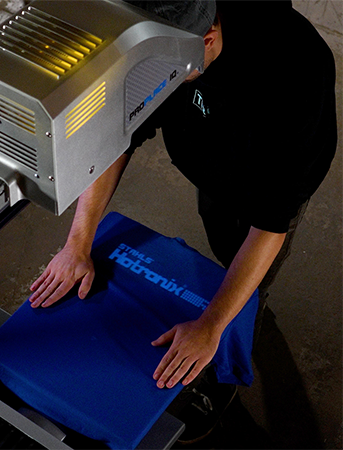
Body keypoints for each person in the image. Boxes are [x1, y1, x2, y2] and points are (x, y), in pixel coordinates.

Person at [28, 0, 337, 393]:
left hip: (269, 176)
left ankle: (237, 341)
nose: (159, 77)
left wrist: (210, 326)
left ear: (207, 39)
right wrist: (77, 242)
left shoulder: (294, 78)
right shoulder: (161, 33)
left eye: (170, 72)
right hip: (213, 164)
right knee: (220, 229)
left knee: (246, 283)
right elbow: (123, 136)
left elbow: (269, 223)